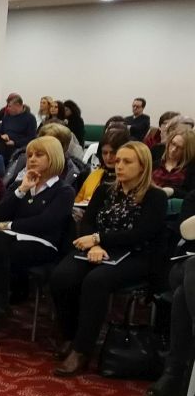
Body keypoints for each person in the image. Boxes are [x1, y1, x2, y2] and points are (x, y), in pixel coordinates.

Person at [50, 142, 168, 377]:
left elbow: (141, 233)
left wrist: (99, 239)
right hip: (98, 248)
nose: (119, 165)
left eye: (127, 161)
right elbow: (88, 221)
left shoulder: (155, 196)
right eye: (118, 160)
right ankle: (70, 336)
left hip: (136, 254)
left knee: (96, 281)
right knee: (62, 277)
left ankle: (82, 350)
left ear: (143, 166)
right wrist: (96, 244)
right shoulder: (105, 190)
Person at [0, 136, 75, 330]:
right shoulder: (21, 184)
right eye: (30, 155)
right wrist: (21, 190)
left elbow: (45, 222)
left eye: (39, 155)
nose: (32, 159)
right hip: (12, 242)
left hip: (43, 245)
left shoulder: (64, 191)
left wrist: (10, 225)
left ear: (53, 157)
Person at [147, 211, 195, 396]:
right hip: (186, 267)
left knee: (182, 295)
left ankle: (175, 373)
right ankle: (179, 375)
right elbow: (186, 229)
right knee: (191, 269)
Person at [76, 127, 130, 209]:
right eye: (105, 153)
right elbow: (77, 202)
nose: (108, 157)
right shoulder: (95, 174)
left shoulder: (129, 178)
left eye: (113, 153)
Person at [152, 129, 195, 199]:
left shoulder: (191, 169)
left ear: (187, 150)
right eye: (173, 144)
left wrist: (172, 191)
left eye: (180, 148)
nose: (173, 149)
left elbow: (191, 196)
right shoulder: (157, 162)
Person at [0, 94, 37, 163]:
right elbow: (0, 130)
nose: (7, 108)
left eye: (9, 106)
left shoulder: (30, 118)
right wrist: (2, 135)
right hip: (3, 147)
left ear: (18, 105)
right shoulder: (7, 117)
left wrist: (15, 143)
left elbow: (31, 138)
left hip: (19, 150)